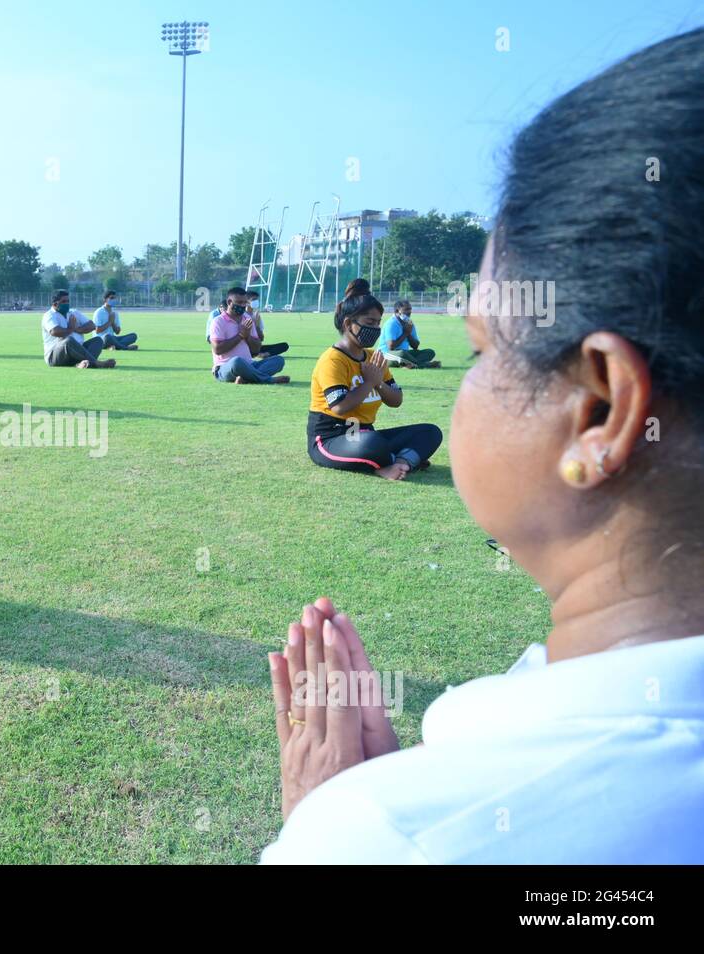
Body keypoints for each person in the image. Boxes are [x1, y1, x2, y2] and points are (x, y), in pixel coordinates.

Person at [262, 28, 704, 864]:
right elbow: (341, 403)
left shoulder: (397, 838)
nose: (470, 379)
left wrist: (335, 825)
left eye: (482, 352)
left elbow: (389, 398)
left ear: (600, 410)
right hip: (334, 433)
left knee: (411, 433)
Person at [306, 280, 441, 478]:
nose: (376, 329)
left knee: (430, 432)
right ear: (348, 323)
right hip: (332, 437)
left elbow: (396, 400)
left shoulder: (373, 357)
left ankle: (399, 462)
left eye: (378, 323)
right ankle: (391, 463)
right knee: (371, 443)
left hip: (364, 433)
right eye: (369, 323)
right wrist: (369, 382)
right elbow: (340, 407)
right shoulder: (332, 360)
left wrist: (378, 383)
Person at [208, 287, 289, 384]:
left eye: (244, 302)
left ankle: (246, 378)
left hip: (250, 364)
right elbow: (218, 350)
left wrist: (247, 337)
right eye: (239, 302)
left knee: (278, 360)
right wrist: (241, 335)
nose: (243, 305)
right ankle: (268, 380)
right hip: (225, 367)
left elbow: (256, 349)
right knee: (237, 362)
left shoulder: (247, 319)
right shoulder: (218, 321)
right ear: (229, 302)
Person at [42, 290, 116, 368]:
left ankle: (82, 363)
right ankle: (96, 363)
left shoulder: (73, 312)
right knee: (68, 341)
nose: (67, 303)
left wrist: (78, 329)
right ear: (55, 304)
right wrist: (70, 328)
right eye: (64, 301)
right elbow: (55, 331)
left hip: (78, 352)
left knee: (98, 341)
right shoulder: (49, 315)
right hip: (55, 355)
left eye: (68, 301)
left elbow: (92, 325)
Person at [378, 298, 440, 368]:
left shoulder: (409, 323)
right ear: (397, 311)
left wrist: (408, 334)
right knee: (401, 353)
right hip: (387, 354)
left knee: (430, 352)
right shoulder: (391, 323)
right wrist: (405, 333)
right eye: (406, 309)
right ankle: (423, 365)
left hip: (405, 354)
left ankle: (409, 364)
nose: (409, 312)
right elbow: (391, 347)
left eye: (410, 309)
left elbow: (415, 346)